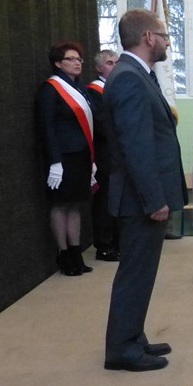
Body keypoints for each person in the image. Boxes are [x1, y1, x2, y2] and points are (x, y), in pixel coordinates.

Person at [102, 9, 187, 373]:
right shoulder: (128, 78)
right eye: (164, 36)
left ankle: (133, 337)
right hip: (140, 200)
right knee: (135, 273)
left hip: (142, 197)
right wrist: (154, 200)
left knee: (141, 273)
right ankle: (121, 349)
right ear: (148, 37)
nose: (168, 42)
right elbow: (136, 147)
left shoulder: (137, 75)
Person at [35, 40, 96, 276]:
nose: (77, 63)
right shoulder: (50, 89)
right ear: (58, 63)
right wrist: (55, 161)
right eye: (71, 59)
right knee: (61, 204)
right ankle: (63, 254)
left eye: (79, 59)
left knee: (75, 205)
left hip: (80, 156)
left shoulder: (79, 88)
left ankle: (76, 253)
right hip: (61, 159)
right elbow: (47, 127)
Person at [87, 49, 120, 262]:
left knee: (119, 198)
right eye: (109, 63)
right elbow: (100, 124)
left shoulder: (116, 87)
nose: (114, 66)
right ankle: (104, 245)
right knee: (105, 199)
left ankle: (118, 241)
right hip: (105, 153)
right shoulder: (94, 91)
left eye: (117, 62)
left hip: (120, 152)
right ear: (99, 68)